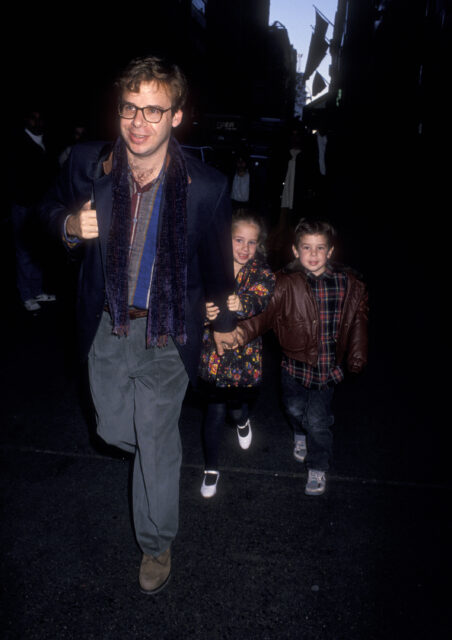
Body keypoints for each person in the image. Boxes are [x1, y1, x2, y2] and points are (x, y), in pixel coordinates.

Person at [40, 55, 240, 595]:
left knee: (154, 440)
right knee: (109, 430)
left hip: (167, 330)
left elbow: (219, 263)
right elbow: (45, 207)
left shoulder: (206, 186)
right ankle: (157, 452)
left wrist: (227, 318)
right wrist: (66, 225)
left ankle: (156, 542)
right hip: (108, 325)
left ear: (176, 117)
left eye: (154, 110)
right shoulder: (90, 163)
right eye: (130, 107)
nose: (139, 122)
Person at [237, 218, 368, 496]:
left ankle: (318, 466)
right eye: (306, 248)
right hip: (293, 367)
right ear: (296, 251)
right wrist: (238, 334)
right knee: (295, 410)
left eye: (320, 248)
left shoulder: (347, 283)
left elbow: (358, 319)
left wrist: (357, 353)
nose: (313, 254)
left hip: (328, 369)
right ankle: (299, 433)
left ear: (330, 251)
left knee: (318, 421)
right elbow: (263, 316)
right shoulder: (285, 283)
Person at [198, 209, 275, 498]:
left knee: (235, 407)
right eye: (238, 240)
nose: (244, 248)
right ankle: (211, 468)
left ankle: (243, 421)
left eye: (251, 242)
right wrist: (203, 311)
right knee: (214, 410)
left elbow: (260, 298)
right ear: (225, 239)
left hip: (243, 356)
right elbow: (195, 295)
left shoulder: (262, 272)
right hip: (214, 356)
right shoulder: (212, 267)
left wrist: (240, 303)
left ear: (259, 245)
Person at [10, 109, 57, 311]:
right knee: (23, 251)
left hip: (42, 205)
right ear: (25, 119)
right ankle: (26, 295)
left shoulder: (47, 141)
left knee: (38, 250)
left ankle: (37, 291)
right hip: (23, 205)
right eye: (32, 117)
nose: (37, 121)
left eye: (40, 117)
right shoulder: (17, 143)